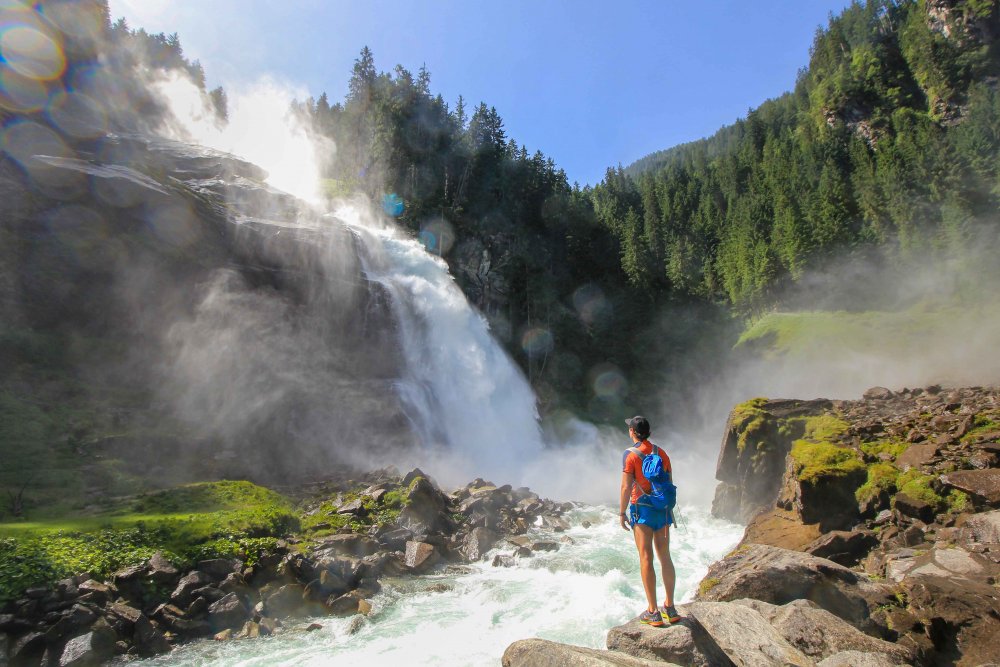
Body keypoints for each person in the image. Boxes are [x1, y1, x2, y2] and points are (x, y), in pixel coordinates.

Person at [619, 415, 679, 626]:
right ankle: (670, 608)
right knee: (665, 556)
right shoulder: (661, 453)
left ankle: (653, 611)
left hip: (641, 510)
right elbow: (669, 483)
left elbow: (626, 487)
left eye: (630, 429)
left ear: (633, 432)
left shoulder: (630, 455)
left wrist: (621, 512)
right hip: (661, 511)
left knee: (646, 557)